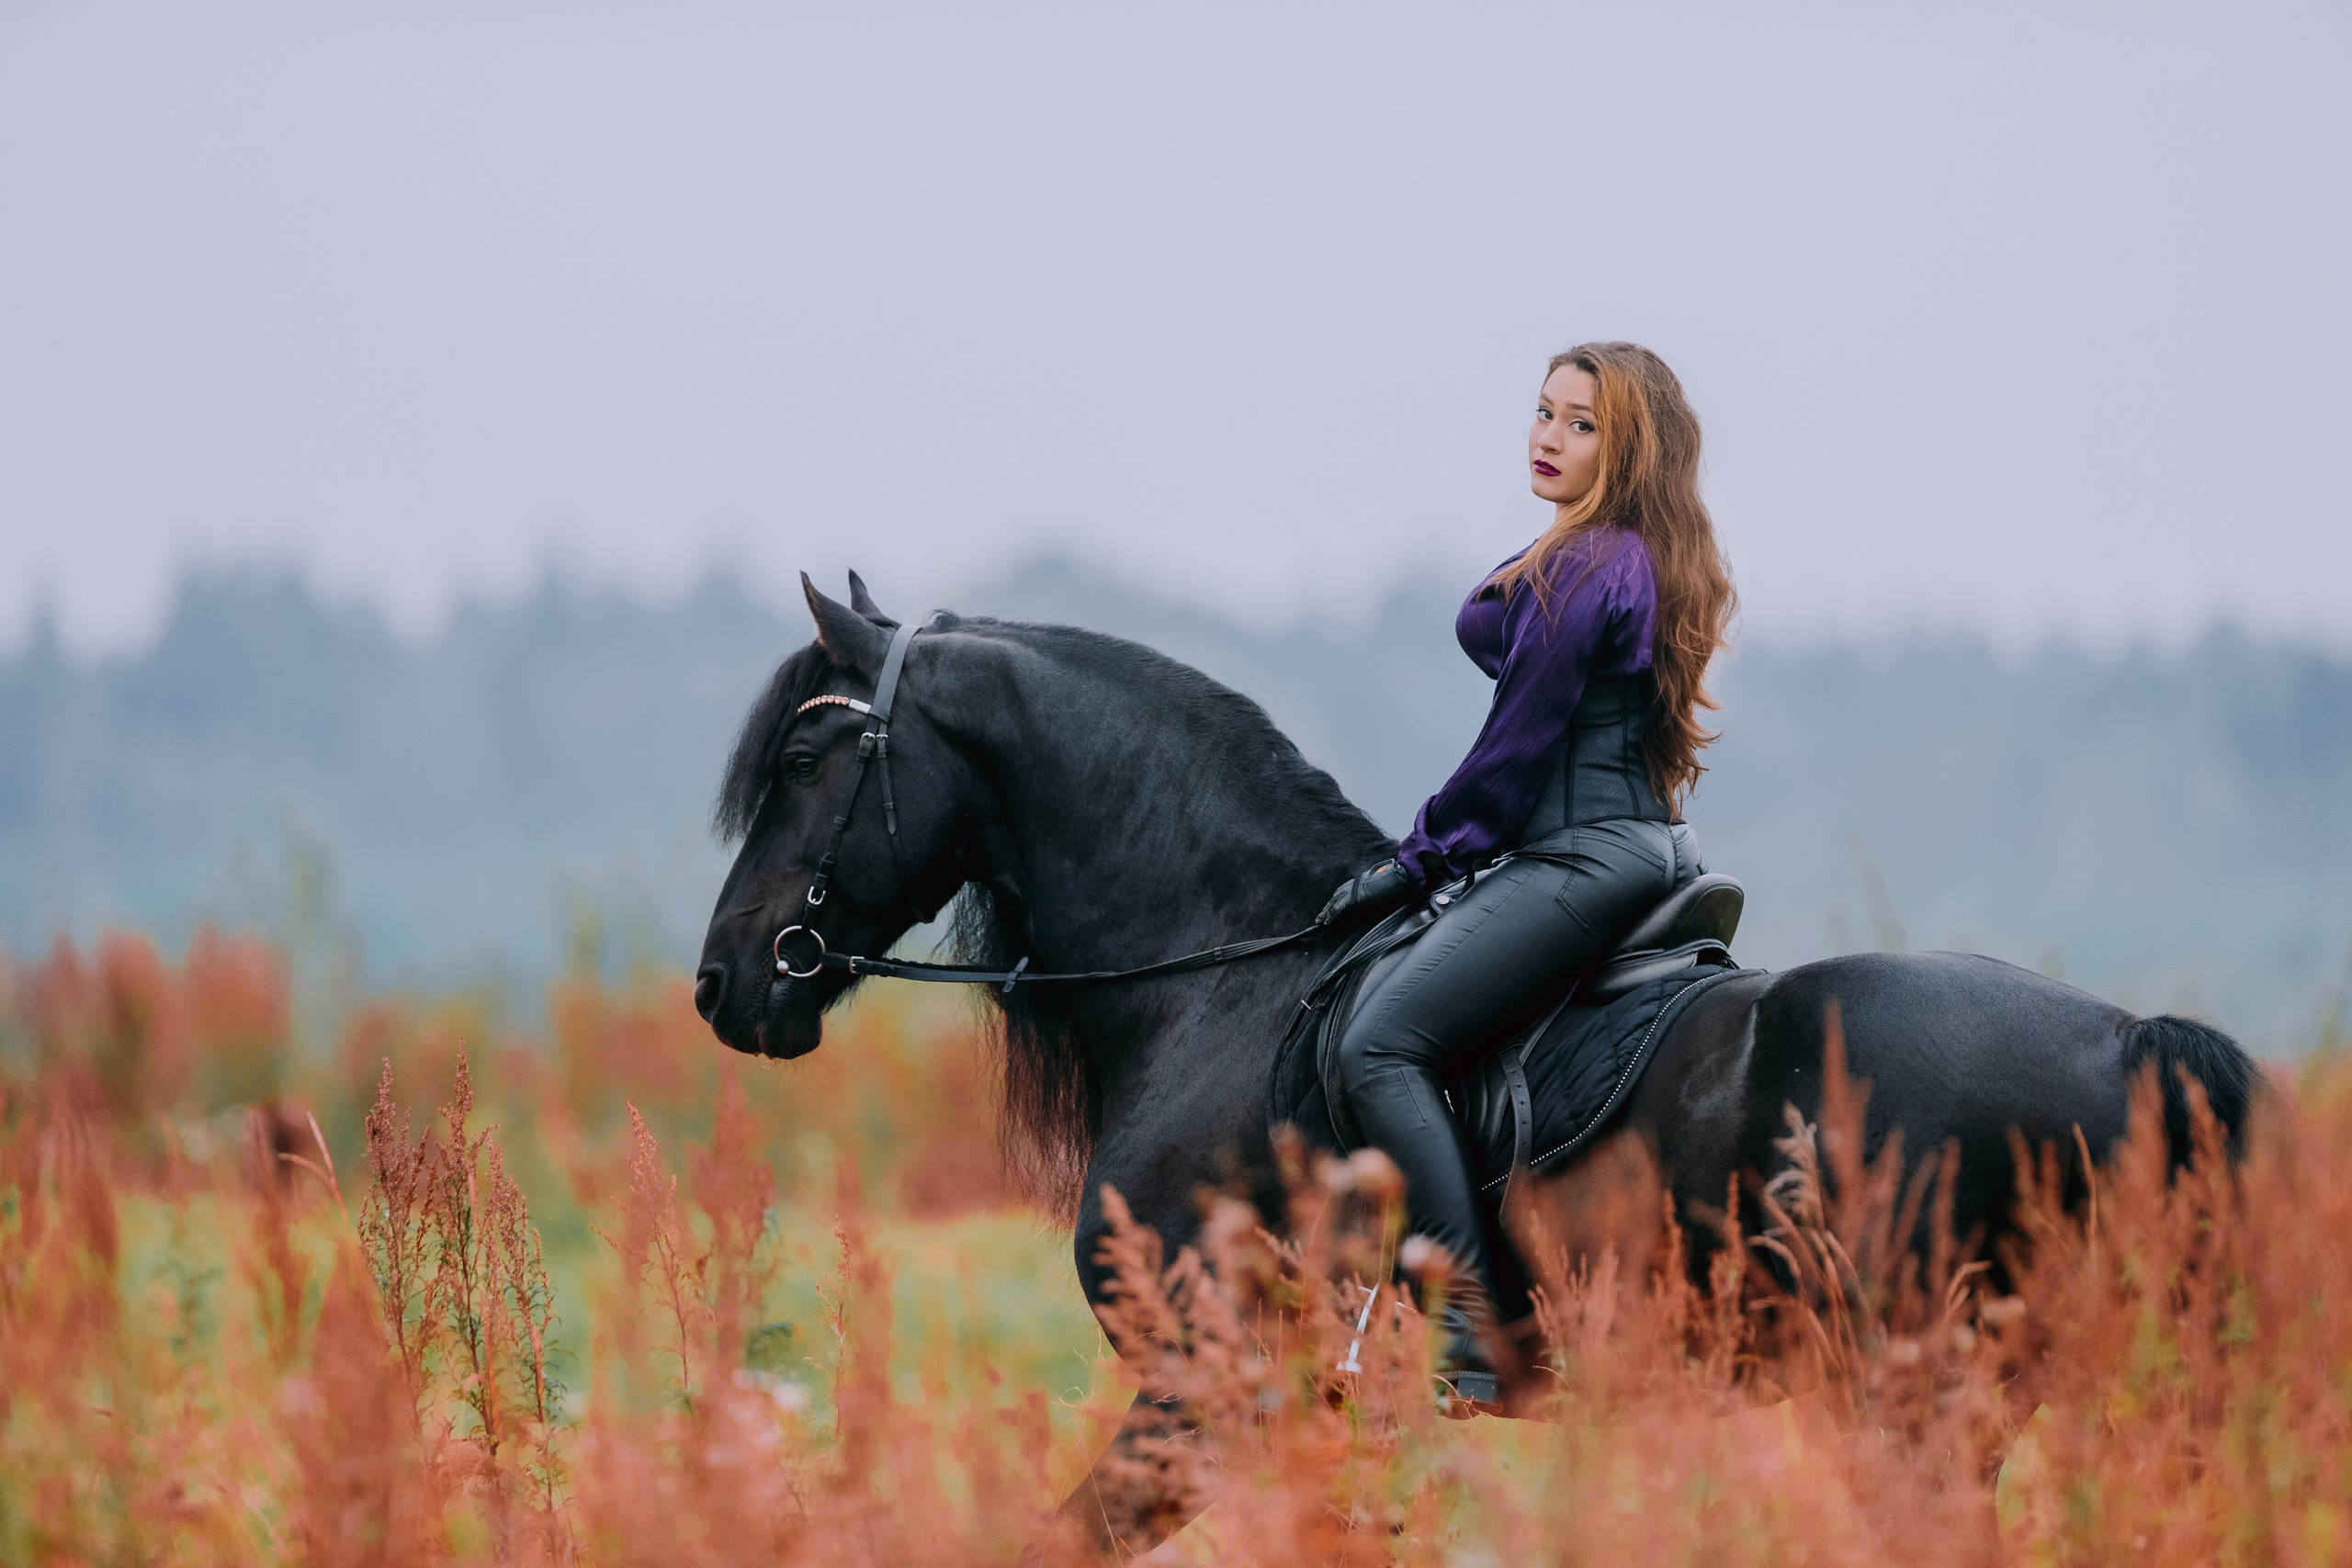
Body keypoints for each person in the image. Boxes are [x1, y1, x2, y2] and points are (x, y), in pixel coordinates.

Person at [1316, 341, 1737, 1408]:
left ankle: (1470, 1329)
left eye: (1582, 423)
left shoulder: (1591, 567)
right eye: (1543, 414)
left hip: (1578, 856)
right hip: (1603, 843)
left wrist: (1411, 864)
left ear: (1627, 446)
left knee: (1381, 1043)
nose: (1550, 437)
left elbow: (1513, 753)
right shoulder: (1601, 548)